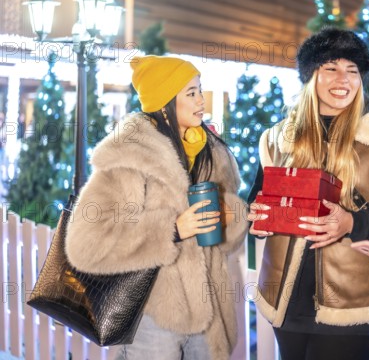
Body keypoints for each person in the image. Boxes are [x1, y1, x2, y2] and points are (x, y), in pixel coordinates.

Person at [246, 27, 369, 360]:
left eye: (352, 70)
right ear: (311, 75)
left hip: (353, 306)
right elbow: (256, 199)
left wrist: (351, 223)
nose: (344, 79)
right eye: (332, 68)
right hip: (286, 304)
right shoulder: (279, 138)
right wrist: (258, 219)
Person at [65, 56, 247, 360]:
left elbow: (228, 240)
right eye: (191, 93)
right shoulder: (130, 157)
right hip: (152, 314)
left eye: (201, 91)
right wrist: (173, 229)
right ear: (164, 103)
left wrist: (232, 217)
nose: (202, 101)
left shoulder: (213, 153)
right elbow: (85, 245)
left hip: (210, 312)